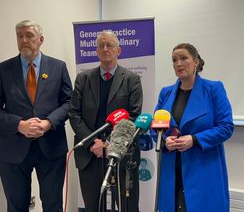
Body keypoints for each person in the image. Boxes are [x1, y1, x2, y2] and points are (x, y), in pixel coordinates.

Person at [0, 20, 72, 212]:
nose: (24, 40)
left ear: (40, 39)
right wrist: (18, 125)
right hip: (13, 149)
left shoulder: (58, 67)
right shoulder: (3, 69)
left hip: (51, 146)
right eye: (19, 36)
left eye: (29, 35)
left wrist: (49, 122)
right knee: (16, 205)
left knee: (52, 204)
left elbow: (69, 103)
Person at [152, 43, 234, 212]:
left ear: (196, 61)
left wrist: (194, 139)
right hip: (171, 172)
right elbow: (156, 129)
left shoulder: (213, 89)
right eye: (174, 60)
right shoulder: (165, 93)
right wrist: (165, 140)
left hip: (203, 170)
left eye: (183, 58)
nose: (178, 64)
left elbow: (226, 127)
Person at [68, 31, 143, 212]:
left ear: (119, 50)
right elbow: (74, 113)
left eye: (109, 45)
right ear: (96, 51)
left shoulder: (132, 80)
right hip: (90, 153)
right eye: (101, 45)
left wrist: (109, 144)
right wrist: (94, 142)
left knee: (127, 207)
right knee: (93, 207)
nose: (105, 49)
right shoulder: (83, 79)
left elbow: (133, 117)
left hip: (121, 154)